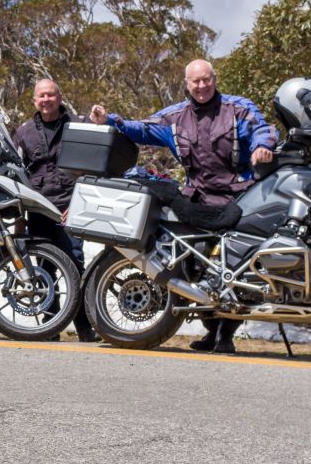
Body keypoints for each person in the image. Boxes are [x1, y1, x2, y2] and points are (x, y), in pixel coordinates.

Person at [91, 59, 278, 354]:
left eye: (206, 80)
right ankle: (210, 331)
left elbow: (261, 128)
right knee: (196, 266)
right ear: (187, 84)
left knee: (239, 264)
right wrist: (110, 121)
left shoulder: (237, 108)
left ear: (214, 80)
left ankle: (225, 334)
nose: (202, 86)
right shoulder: (175, 117)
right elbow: (141, 128)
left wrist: (261, 147)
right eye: (196, 81)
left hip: (239, 195)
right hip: (197, 197)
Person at [12, 78, 102, 343]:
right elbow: (16, 177)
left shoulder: (80, 125)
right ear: (34, 101)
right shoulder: (24, 132)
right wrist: (19, 218)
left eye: (51, 95)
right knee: (44, 268)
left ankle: (85, 327)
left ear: (59, 97)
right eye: (41, 96)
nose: (46, 100)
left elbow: (95, 163)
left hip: (70, 205)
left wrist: (77, 205)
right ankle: (50, 326)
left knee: (75, 264)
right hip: (38, 208)